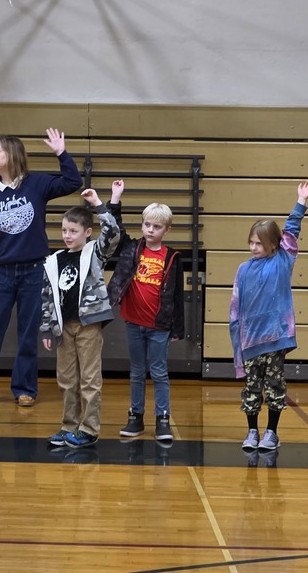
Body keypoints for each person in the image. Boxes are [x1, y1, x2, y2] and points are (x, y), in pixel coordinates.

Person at [0, 128, 82, 407]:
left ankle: (24, 388)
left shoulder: (36, 184)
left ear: (12, 154)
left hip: (34, 271)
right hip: (0, 273)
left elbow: (73, 181)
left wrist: (61, 152)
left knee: (27, 334)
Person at [229, 181, 308, 453]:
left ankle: (272, 432)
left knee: (274, 385)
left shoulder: (282, 261)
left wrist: (300, 202)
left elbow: (291, 232)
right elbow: (235, 308)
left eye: (259, 243)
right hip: (250, 341)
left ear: (273, 244)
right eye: (251, 242)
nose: (254, 247)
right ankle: (252, 430)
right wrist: (237, 342)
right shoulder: (243, 269)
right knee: (252, 388)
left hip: (275, 338)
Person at [107, 180, 186, 443]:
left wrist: (177, 327)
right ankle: (135, 416)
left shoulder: (172, 257)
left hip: (159, 326)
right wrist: (115, 199)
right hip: (134, 323)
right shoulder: (133, 249)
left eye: (157, 227)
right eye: (147, 225)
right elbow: (116, 230)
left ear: (167, 229)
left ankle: (162, 418)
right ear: (142, 226)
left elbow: (177, 296)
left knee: (160, 372)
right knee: (137, 372)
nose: (151, 230)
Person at [39, 188, 120, 448]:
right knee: (66, 379)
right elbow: (46, 298)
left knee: (89, 379)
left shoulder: (95, 254)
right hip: (64, 327)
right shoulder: (53, 261)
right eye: (64, 231)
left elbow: (113, 233)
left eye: (73, 231)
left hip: (88, 325)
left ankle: (89, 428)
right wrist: (46, 329)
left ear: (87, 233)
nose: (67, 236)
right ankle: (68, 425)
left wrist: (98, 204)